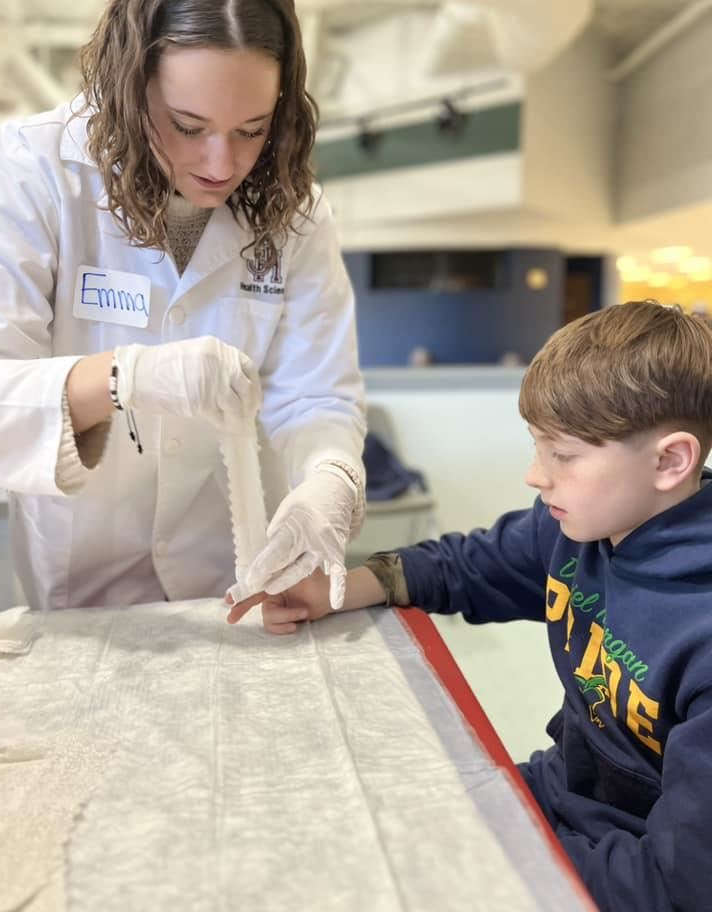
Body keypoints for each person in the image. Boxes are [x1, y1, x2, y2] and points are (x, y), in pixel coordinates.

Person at [229, 301, 712, 912]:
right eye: (538, 447)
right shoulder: (576, 529)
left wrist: (482, 856)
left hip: (627, 863)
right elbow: (472, 564)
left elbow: (681, 884)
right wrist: (343, 587)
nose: (536, 475)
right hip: (562, 792)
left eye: (563, 455)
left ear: (670, 461)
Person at [0, 0, 366, 610]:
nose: (222, 164)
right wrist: (124, 380)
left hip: (236, 591)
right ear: (129, 87)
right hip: (84, 594)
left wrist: (331, 474)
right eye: (187, 127)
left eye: (252, 130)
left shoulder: (295, 213)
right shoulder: (32, 171)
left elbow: (317, 395)